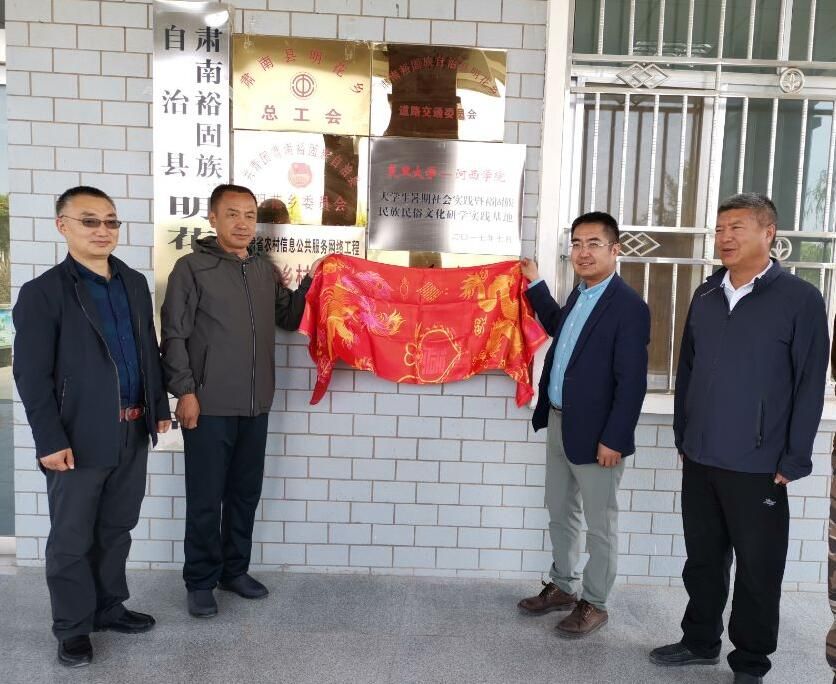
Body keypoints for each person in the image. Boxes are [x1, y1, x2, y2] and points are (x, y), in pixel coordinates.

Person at [650, 193, 830, 683]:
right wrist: (684, 435)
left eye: (736, 228)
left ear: (768, 233)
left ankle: (750, 662)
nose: (724, 238)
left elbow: (809, 383)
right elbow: (687, 370)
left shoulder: (800, 300)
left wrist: (794, 457)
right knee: (703, 560)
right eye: (719, 229)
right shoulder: (707, 294)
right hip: (702, 456)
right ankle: (699, 640)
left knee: (757, 569)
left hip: (759, 462)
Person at [13, 186, 171, 667]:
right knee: (71, 538)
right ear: (62, 226)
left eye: (111, 221)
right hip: (77, 437)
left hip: (132, 428)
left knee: (117, 527)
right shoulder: (43, 292)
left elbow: (147, 350)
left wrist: (158, 405)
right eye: (90, 221)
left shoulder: (133, 282)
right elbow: (31, 375)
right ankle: (72, 628)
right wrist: (49, 439)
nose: (103, 230)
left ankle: (108, 607)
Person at [160, 183, 320, 618]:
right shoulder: (191, 268)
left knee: (245, 494)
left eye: (250, 215)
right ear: (213, 218)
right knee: (205, 498)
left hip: (255, 405)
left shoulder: (263, 271)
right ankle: (200, 581)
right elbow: (173, 335)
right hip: (207, 404)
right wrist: (185, 391)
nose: (243, 223)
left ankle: (235, 571)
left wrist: (312, 279)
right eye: (232, 214)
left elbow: (290, 317)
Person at [517, 211, 650, 638]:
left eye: (594, 243)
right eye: (576, 243)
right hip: (560, 422)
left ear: (615, 250)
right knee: (560, 510)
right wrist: (536, 283)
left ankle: (595, 602)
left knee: (600, 524)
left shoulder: (629, 307)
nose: (583, 252)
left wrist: (615, 439)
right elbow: (559, 328)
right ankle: (563, 586)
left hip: (599, 437)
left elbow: (633, 382)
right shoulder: (580, 294)